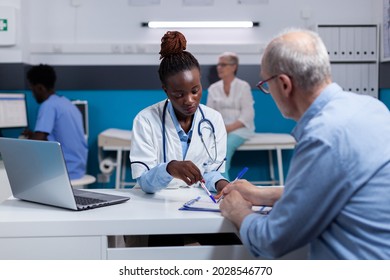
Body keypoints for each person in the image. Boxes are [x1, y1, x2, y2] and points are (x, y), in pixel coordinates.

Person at [219, 28, 390, 259]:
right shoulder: (373, 108)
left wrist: (238, 211)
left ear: (284, 85)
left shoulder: (323, 137)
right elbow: (334, 189)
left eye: (265, 85)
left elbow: (272, 240)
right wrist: (262, 194)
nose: (267, 91)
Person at [130, 31, 229, 194]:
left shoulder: (213, 120)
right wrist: (169, 168)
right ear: (166, 91)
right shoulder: (145, 120)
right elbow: (145, 182)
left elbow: (211, 172)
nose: (190, 100)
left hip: (195, 199)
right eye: (179, 94)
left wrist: (224, 185)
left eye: (195, 90)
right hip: (153, 202)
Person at [24, 64, 88, 180]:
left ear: (40, 88)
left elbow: (38, 141)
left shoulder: (48, 105)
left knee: (20, 171)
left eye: (32, 90)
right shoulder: (66, 103)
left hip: (65, 170)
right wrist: (32, 135)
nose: (33, 95)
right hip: (78, 168)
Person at [207, 52, 255, 180]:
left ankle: (223, 186)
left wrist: (228, 128)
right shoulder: (213, 88)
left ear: (234, 67)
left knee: (225, 147)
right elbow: (210, 114)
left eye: (223, 65)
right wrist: (220, 129)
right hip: (220, 130)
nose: (219, 68)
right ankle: (212, 182)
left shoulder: (243, 86)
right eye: (218, 65)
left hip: (241, 129)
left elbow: (248, 114)